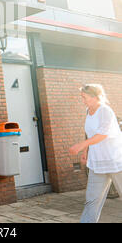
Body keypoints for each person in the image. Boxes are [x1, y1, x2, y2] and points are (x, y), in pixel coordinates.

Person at [69, 84, 122, 223]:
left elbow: (102, 134)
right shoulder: (88, 111)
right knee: (92, 201)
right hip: (97, 163)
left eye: (85, 97)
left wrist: (81, 146)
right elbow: (89, 133)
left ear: (95, 97)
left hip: (116, 161)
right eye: (82, 97)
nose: (83, 101)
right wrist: (86, 151)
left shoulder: (105, 111)